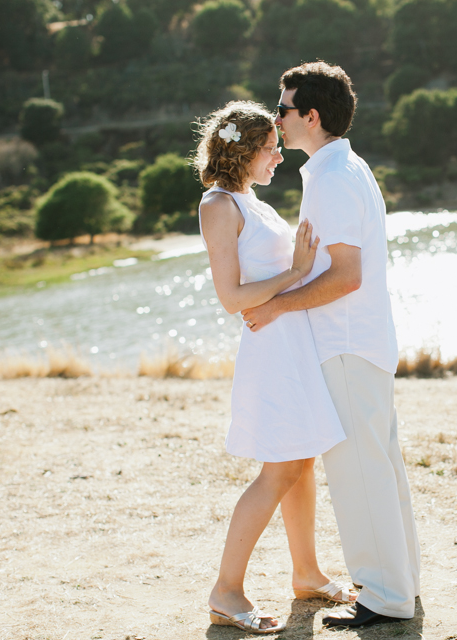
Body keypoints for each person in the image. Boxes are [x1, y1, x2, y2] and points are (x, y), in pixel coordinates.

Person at [241, 62, 421, 628]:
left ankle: (386, 597)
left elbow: (346, 275)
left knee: (361, 475)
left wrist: (273, 307)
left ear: (310, 117)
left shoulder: (333, 178)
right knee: (381, 468)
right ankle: (400, 586)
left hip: (346, 344)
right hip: (359, 342)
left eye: (284, 110)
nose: (277, 119)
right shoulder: (339, 168)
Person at [194, 101, 357, 634]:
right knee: (280, 468)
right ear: (244, 150)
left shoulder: (250, 199)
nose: (279, 157)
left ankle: (306, 573)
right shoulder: (218, 204)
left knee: (302, 459)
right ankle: (226, 589)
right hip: (271, 350)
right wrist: (297, 272)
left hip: (295, 343)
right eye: (271, 148)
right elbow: (231, 297)